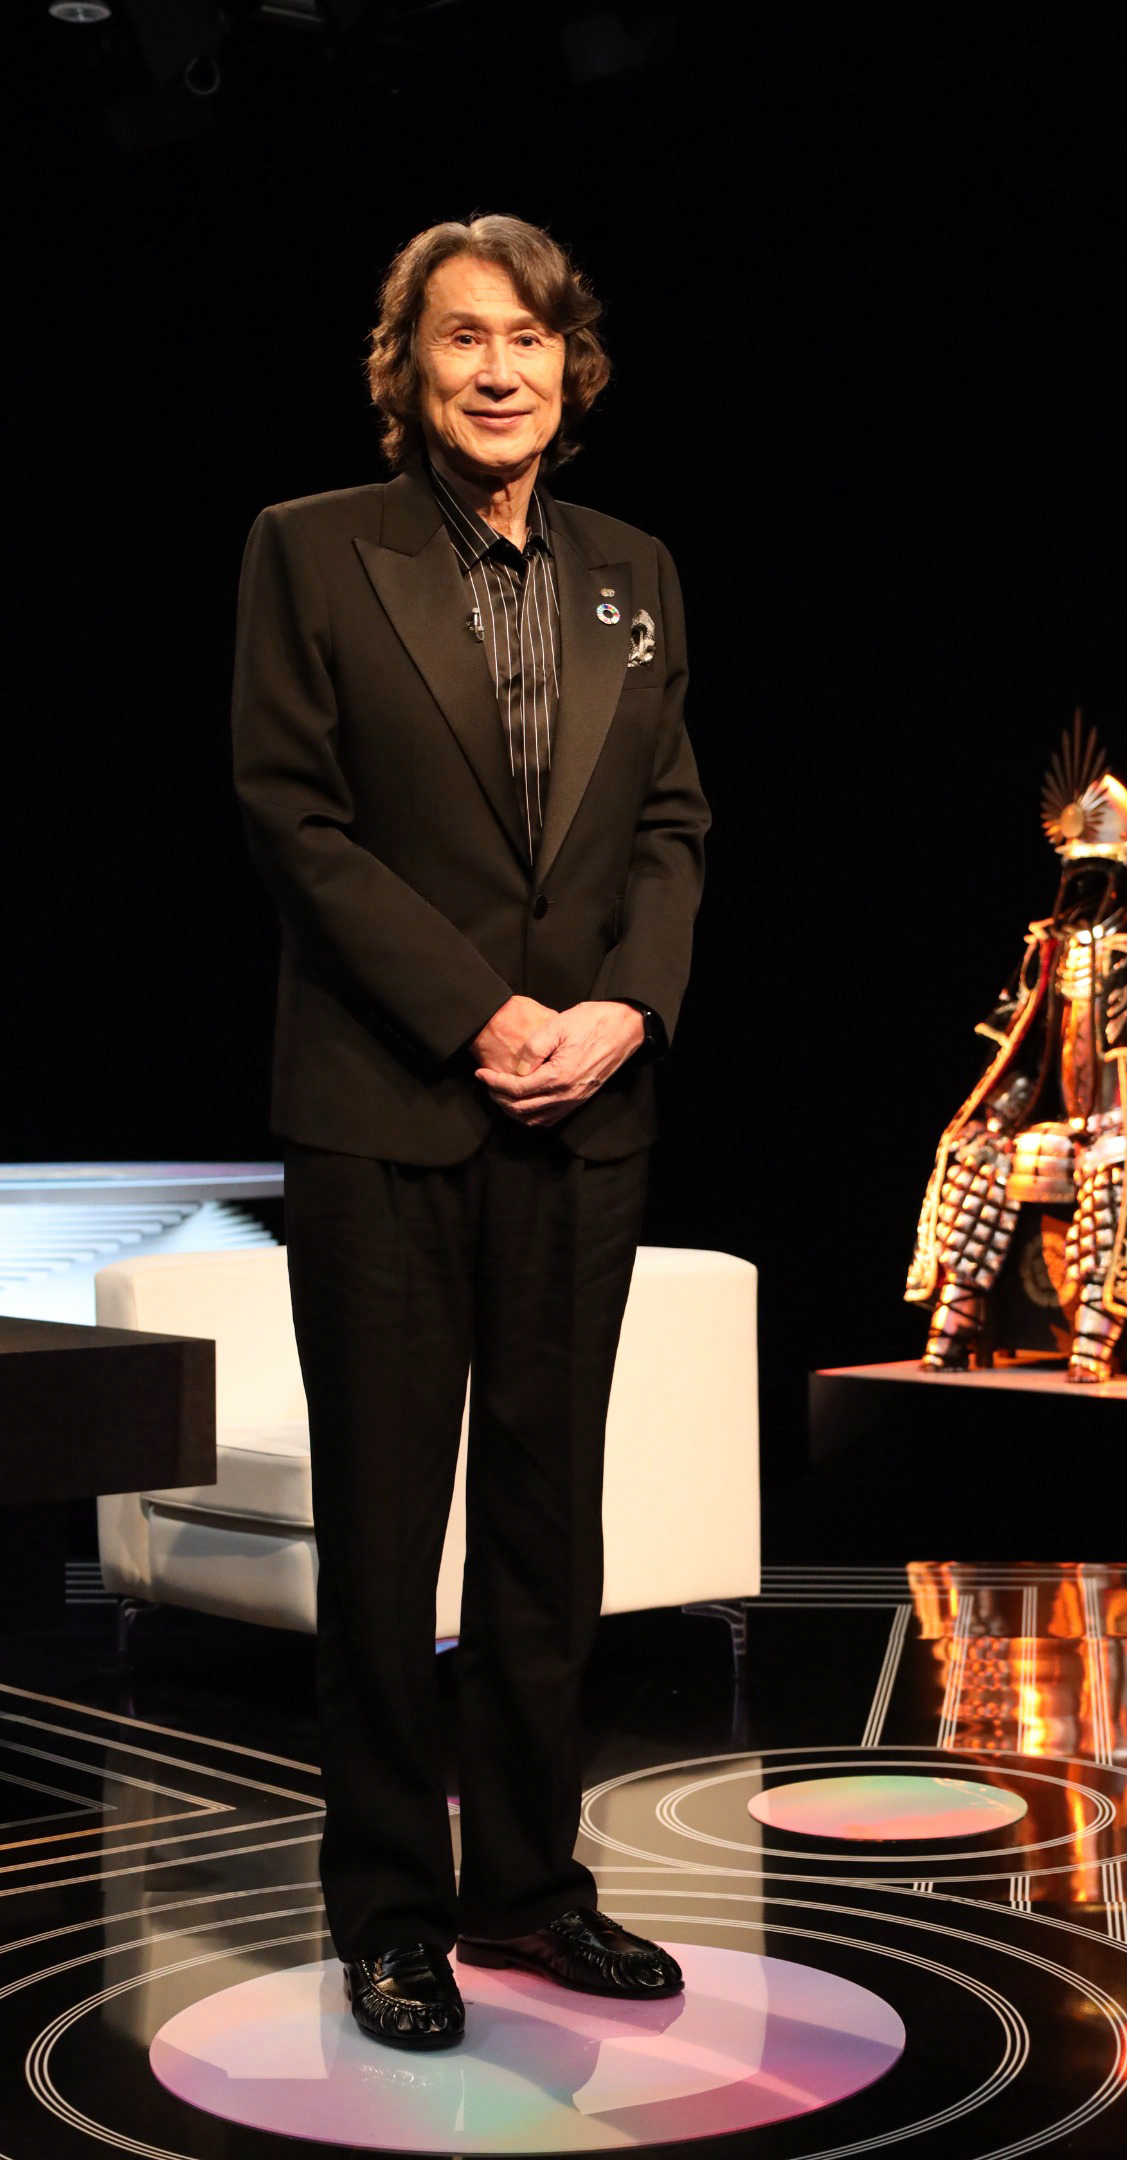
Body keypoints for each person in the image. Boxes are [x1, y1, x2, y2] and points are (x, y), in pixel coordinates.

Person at [232, 214, 708, 2049]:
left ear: (572, 367)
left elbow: (670, 825)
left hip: (587, 1115)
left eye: (528, 338)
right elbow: (294, 816)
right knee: (381, 1530)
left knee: (543, 1520)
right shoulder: (308, 549)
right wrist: (480, 1011)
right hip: (387, 1110)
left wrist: (626, 1010)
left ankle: (526, 1885)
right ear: (408, 368)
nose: (499, 369)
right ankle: (388, 1910)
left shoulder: (636, 569)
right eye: (461, 338)